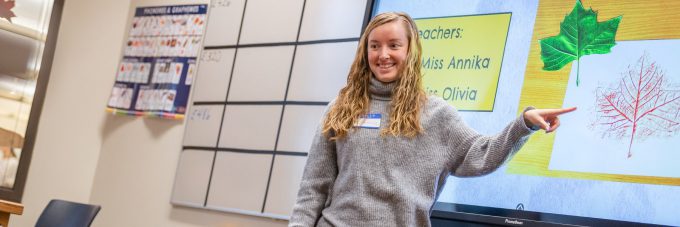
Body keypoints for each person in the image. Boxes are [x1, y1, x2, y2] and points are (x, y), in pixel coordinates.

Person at [289, 12, 575, 227]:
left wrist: (523, 123)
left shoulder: (437, 114)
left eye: (393, 45)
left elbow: (481, 155)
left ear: (410, 51)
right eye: (374, 46)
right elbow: (313, 188)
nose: (383, 54)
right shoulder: (340, 108)